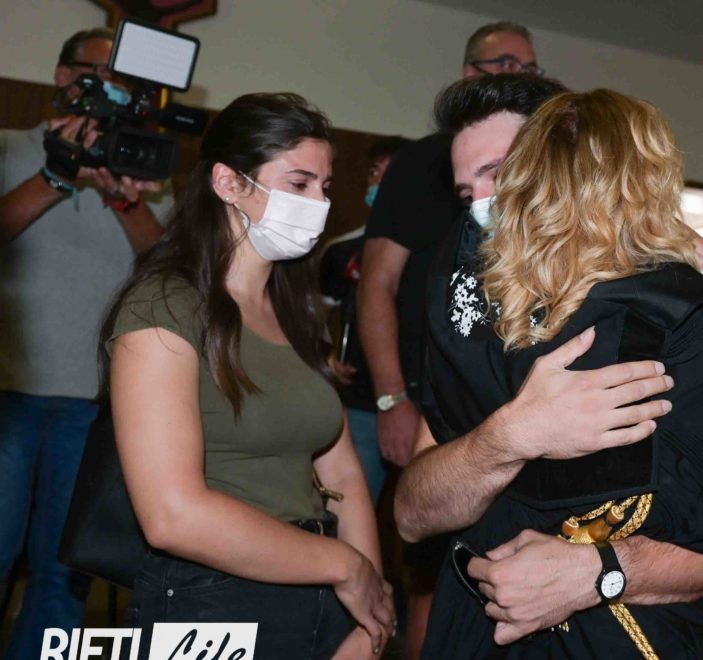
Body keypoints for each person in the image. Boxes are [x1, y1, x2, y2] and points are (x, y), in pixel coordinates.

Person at [398, 78, 703, 659]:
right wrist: (511, 435)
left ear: (568, 157)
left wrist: (598, 571)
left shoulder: (691, 297)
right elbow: (413, 512)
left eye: (502, 172)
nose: (484, 205)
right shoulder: (479, 321)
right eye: (468, 192)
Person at [101, 93, 394, 660]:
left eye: (325, 187)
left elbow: (342, 474)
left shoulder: (294, 312)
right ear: (228, 183)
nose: (319, 203)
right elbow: (172, 515)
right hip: (211, 596)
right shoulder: (163, 306)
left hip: (321, 597)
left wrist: (370, 616)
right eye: (299, 183)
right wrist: (345, 566)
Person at [356, 21, 550, 658]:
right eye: (505, 63)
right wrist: (392, 398)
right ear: (471, 73)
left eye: (529, 65)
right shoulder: (423, 164)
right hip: (434, 394)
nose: (519, 74)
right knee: (435, 573)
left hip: (522, 392)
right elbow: (377, 283)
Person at [0, 27, 169, 657]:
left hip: (95, 400)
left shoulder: (145, 166)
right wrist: (57, 174)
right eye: (98, 72)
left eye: (123, 79)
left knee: (63, 574)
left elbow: (166, 266)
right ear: (63, 75)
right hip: (8, 387)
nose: (110, 87)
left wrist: (125, 198)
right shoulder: (9, 146)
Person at [319, 135, 411, 501]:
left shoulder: (434, 249)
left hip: (423, 406)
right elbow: (310, 316)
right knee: (351, 502)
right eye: (375, 171)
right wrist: (323, 355)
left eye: (394, 173)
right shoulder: (341, 250)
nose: (381, 182)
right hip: (358, 403)